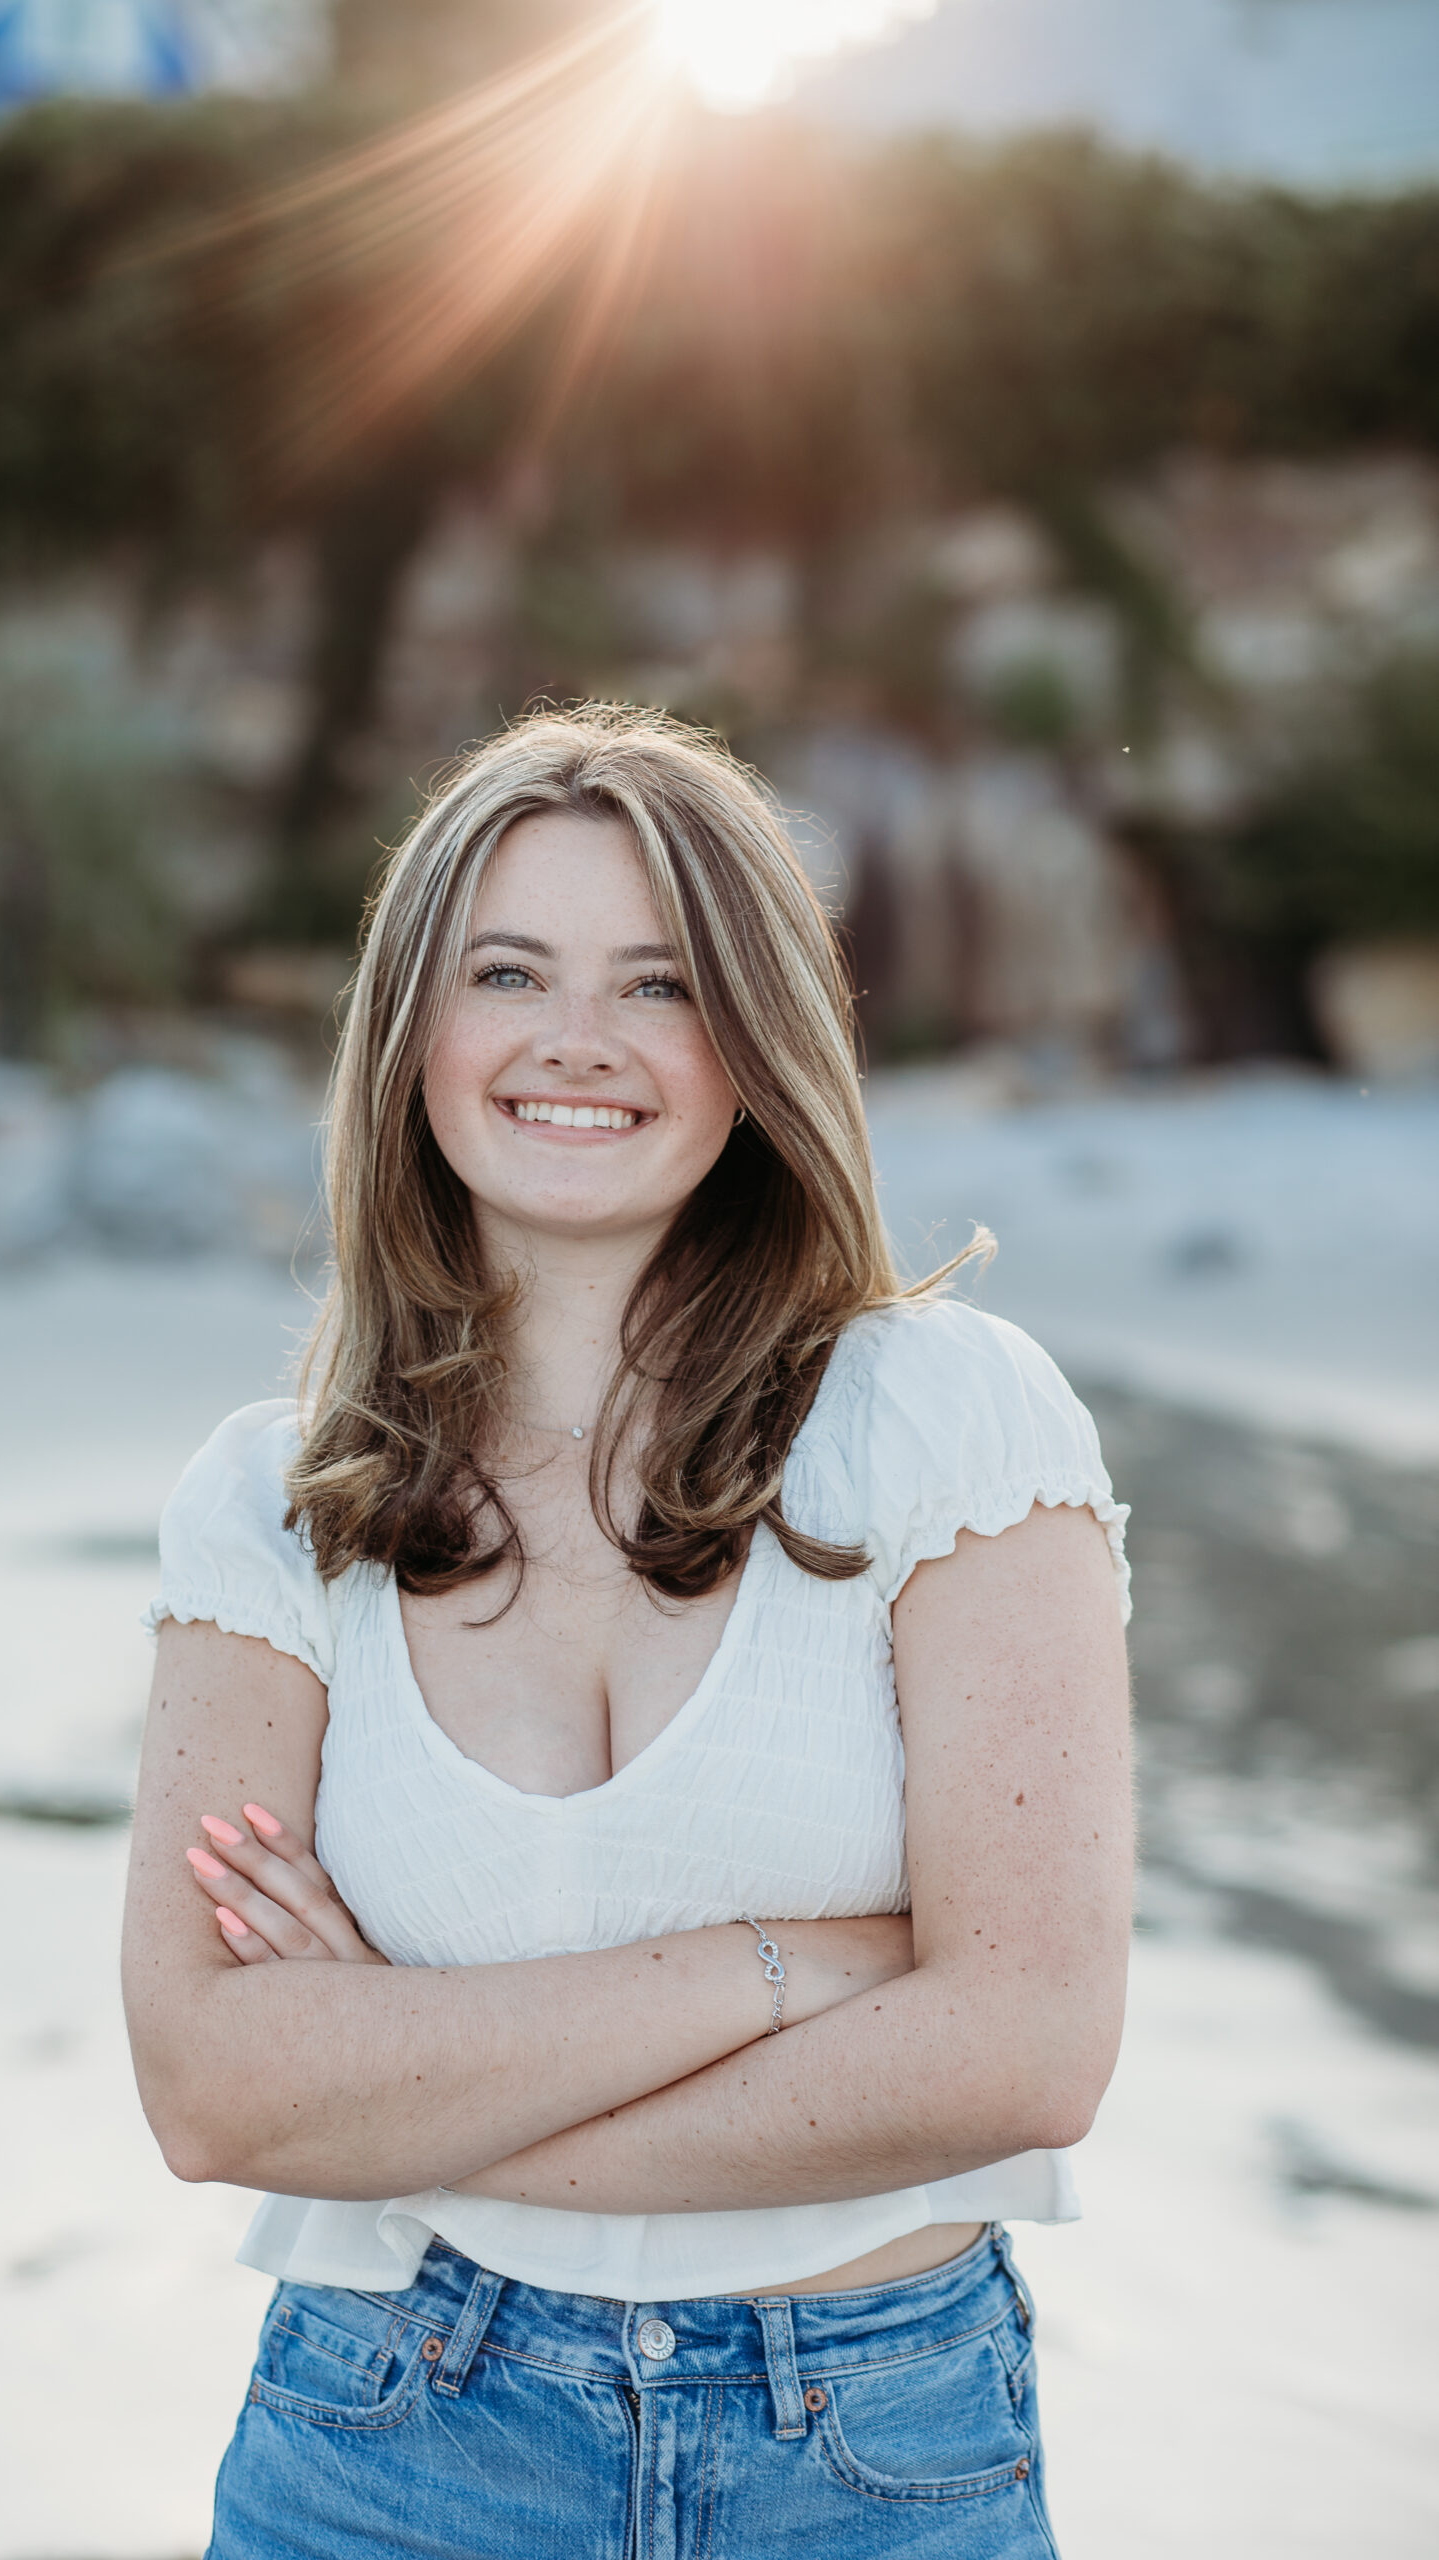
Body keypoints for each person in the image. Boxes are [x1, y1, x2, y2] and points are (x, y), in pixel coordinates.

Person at [122, 704, 1133, 2559]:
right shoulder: (273, 1507)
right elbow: (210, 2089)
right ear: (414, 1033)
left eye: (659, 984)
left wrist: (396, 2088)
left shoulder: (949, 1422)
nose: (576, 1042)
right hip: (388, 2436)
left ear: (753, 1044)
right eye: (508, 971)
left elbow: (1025, 2049)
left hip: (870, 2450)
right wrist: (779, 1964)